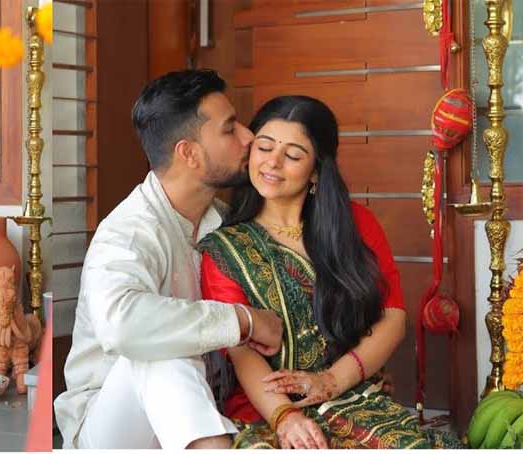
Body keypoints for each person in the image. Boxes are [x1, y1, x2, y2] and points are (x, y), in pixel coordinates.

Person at [196, 95, 464, 449]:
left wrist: (331, 381)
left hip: (352, 395)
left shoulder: (354, 224)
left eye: (293, 155)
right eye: (264, 147)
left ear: (316, 170)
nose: (272, 162)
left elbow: (393, 317)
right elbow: (241, 351)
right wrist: (286, 418)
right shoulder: (226, 249)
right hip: (266, 411)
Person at [53, 69, 285, 449]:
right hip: (112, 430)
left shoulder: (226, 222)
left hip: (196, 415)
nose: (248, 137)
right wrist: (243, 321)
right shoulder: (127, 233)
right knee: (157, 350)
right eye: (230, 129)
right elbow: (122, 326)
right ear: (188, 153)